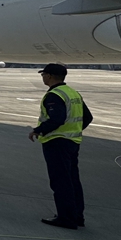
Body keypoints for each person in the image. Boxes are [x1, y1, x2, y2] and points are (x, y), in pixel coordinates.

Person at [29, 63, 92, 230]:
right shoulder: (72, 93)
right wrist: (74, 131)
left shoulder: (54, 95)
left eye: (43, 74)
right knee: (72, 180)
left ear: (49, 76)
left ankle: (66, 218)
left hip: (57, 142)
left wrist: (38, 130)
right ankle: (77, 216)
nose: (42, 77)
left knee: (60, 181)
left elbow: (57, 119)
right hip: (72, 142)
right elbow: (88, 117)